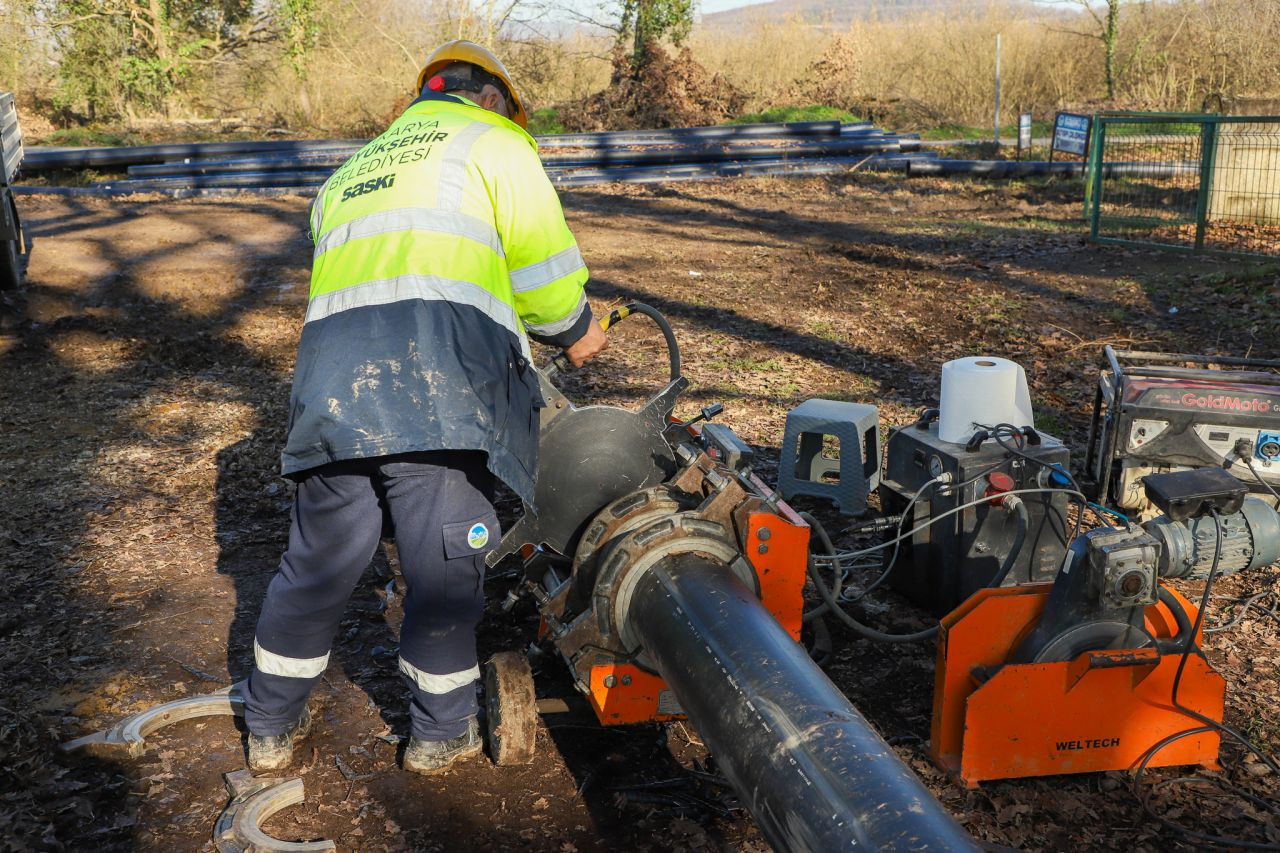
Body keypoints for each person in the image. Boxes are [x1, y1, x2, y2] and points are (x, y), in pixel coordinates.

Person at [242, 40, 608, 775]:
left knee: (316, 564)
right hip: (435, 391)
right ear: (494, 99)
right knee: (443, 567)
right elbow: (539, 268)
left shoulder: (350, 172)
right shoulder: (495, 145)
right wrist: (577, 331)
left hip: (333, 393)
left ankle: (269, 726)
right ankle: (442, 733)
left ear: (425, 96)